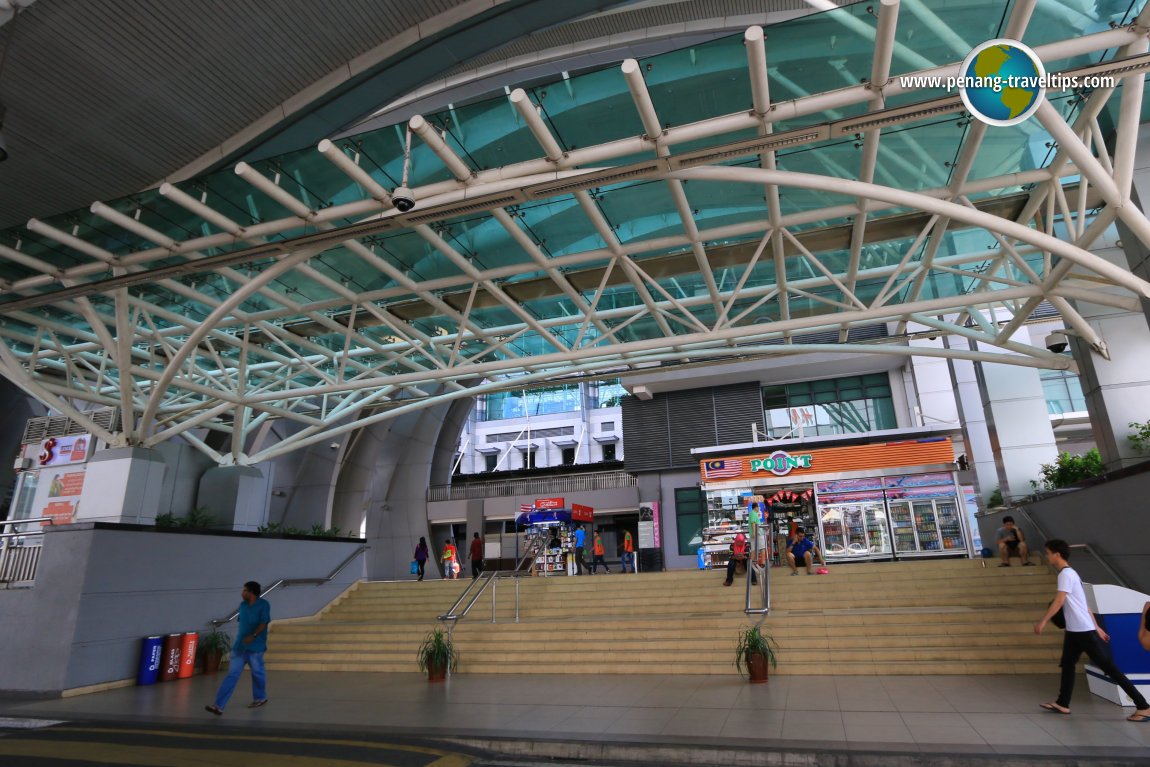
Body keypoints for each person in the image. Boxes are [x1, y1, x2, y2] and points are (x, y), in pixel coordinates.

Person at [1035, 539, 1150, 721]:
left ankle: (1143, 706)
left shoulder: (1065, 575)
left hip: (1081, 631)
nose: (1047, 556)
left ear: (1057, 554)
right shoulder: (1072, 574)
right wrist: (1097, 627)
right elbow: (1084, 605)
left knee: (1110, 669)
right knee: (1067, 664)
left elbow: (1059, 601)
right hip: (1076, 631)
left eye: (1048, 553)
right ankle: (1063, 703)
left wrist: (1043, 621)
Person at [205, 581, 270, 715]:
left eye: (244, 590)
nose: (242, 593)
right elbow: (242, 624)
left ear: (251, 592)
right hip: (239, 647)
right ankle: (218, 705)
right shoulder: (243, 605)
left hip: (256, 647)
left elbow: (263, 623)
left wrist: (254, 635)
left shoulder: (263, 605)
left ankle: (260, 697)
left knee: (257, 673)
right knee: (232, 675)